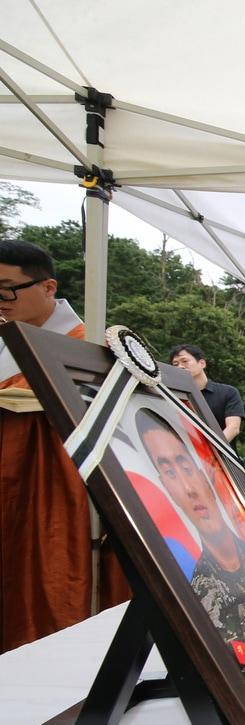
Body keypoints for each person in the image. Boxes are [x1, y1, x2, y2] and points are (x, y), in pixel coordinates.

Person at [0, 239, 128, 651]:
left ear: (49, 287)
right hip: (10, 487)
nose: (1, 301)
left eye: (7, 289)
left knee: (50, 585)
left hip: (54, 491)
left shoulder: (87, 344)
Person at [136, 410, 245, 671]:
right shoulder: (200, 579)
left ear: (209, 473)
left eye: (187, 467)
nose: (189, 487)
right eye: (171, 473)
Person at [170, 343, 245, 443]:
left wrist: (212, 451)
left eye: (185, 361)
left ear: (202, 363)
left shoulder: (228, 392)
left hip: (220, 456)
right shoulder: (172, 396)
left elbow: (233, 428)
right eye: (175, 364)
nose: (180, 367)